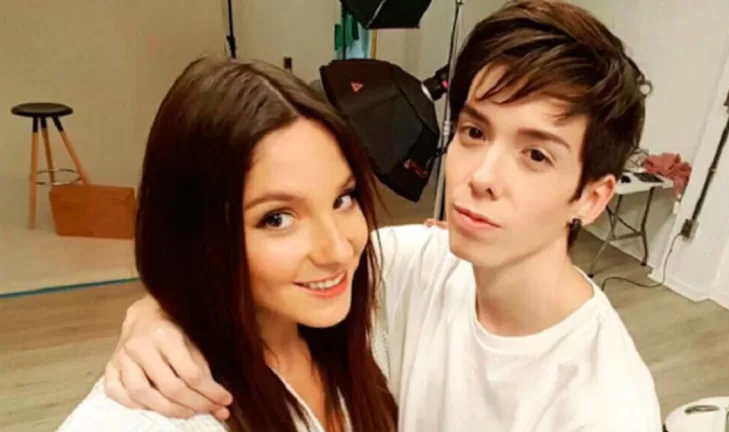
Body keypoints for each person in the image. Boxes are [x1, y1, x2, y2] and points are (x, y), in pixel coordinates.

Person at [100, 1, 662, 430]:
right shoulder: (418, 263)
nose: (481, 175)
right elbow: (261, 268)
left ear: (592, 198)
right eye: (474, 131)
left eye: (535, 155)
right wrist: (157, 317)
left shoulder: (604, 404)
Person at [57, 55, 397, 432]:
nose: (338, 251)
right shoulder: (147, 415)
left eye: (342, 199)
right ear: (196, 234)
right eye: (277, 218)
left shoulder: (370, 317)